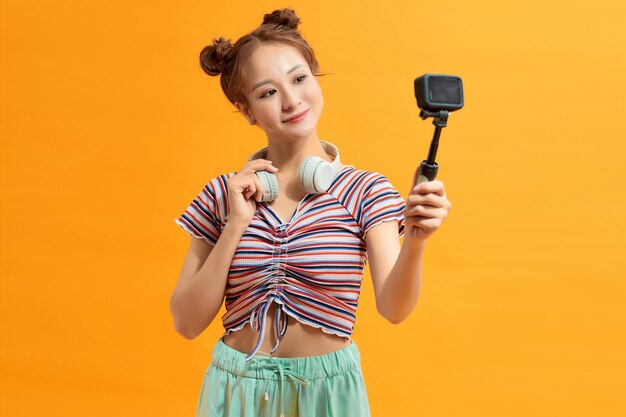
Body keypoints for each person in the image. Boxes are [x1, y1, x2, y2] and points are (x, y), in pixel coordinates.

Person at [170, 8, 452, 417]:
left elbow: (394, 308)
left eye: (300, 79)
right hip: (234, 391)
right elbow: (186, 322)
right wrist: (235, 223)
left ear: (314, 77)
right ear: (247, 110)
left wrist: (417, 241)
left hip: (327, 393)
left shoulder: (365, 191)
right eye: (267, 92)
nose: (291, 100)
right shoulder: (223, 194)